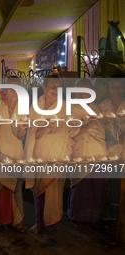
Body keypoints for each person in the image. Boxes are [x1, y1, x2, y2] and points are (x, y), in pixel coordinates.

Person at [24, 75, 71, 234]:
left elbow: (70, 130)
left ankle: (56, 221)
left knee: (57, 191)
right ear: (44, 88)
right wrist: (45, 128)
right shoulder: (35, 107)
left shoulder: (65, 106)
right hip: (41, 154)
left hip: (58, 153)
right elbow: (31, 135)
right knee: (41, 190)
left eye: (59, 86)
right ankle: (39, 223)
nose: (56, 90)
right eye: (53, 86)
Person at [67, 78, 107, 233]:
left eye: (88, 90)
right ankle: (76, 218)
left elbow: (101, 128)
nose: (86, 94)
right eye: (82, 91)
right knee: (80, 187)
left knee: (97, 187)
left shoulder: (96, 106)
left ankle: (94, 218)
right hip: (81, 151)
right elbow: (70, 132)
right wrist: (87, 126)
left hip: (99, 151)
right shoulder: (72, 108)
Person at [0, 76, 26, 234]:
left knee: (15, 190)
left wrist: (23, 128)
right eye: (11, 88)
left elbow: (20, 135)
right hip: (0, 153)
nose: (15, 92)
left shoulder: (23, 109)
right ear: (4, 90)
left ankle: (17, 222)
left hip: (16, 154)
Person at [98, 75, 125, 229]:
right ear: (108, 89)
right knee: (108, 185)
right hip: (108, 151)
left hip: (123, 152)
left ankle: (120, 218)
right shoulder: (103, 106)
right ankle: (109, 219)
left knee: (120, 185)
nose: (116, 90)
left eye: (120, 86)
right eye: (113, 87)